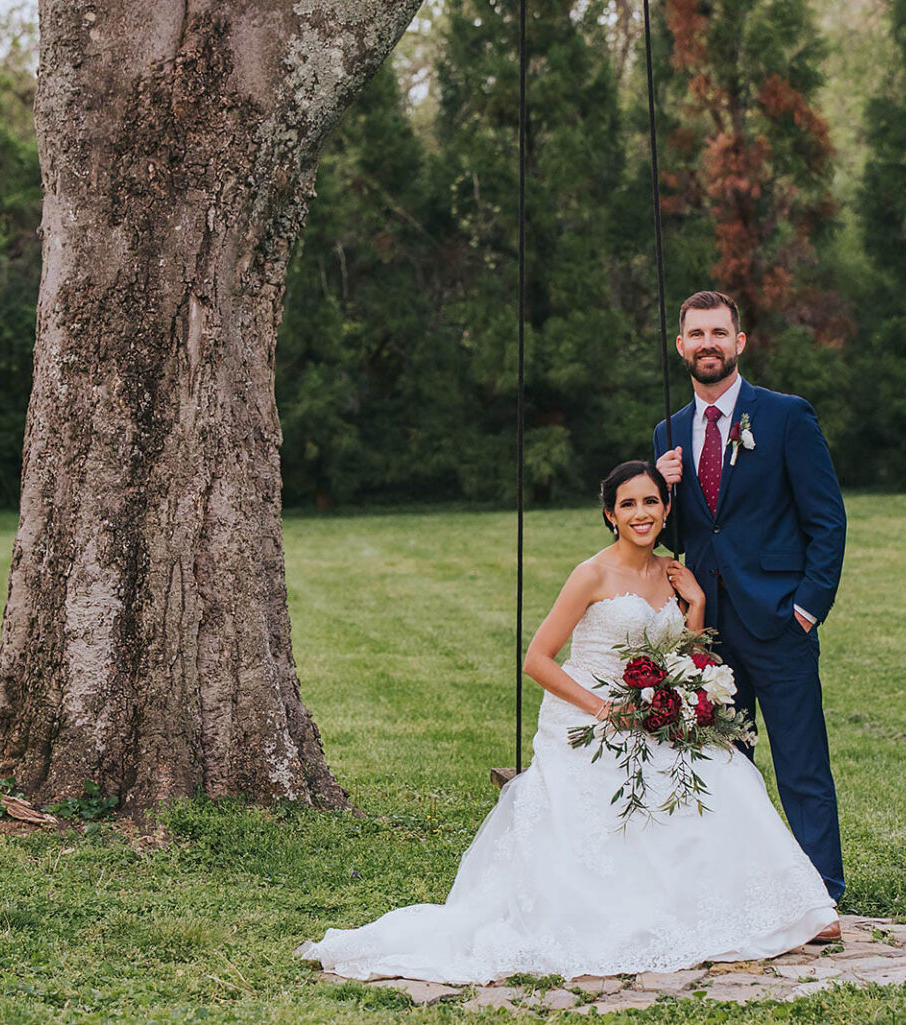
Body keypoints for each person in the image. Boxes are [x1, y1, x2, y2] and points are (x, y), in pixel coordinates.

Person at [297, 462, 837, 985]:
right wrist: (605, 709)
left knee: (726, 771)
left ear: (667, 508)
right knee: (635, 787)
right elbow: (537, 659)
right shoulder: (592, 574)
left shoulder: (672, 571)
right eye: (628, 504)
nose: (641, 513)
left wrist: (694, 603)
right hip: (592, 715)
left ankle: (777, 906)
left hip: (655, 709)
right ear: (610, 515)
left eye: (651, 501)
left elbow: (685, 655)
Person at [652, 290, 847, 933]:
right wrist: (663, 485)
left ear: (741, 341)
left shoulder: (787, 416)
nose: (707, 343)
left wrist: (808, 608)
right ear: (681, 346)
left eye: (719, 332)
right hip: (705, 628)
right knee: (718, 761)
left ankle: (822, 895)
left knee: (800, 762)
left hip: (778, 620)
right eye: (695, 333)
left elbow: (826, 518)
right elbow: (667, 530)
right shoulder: (669, 432)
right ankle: (729, 890)